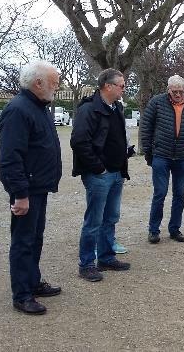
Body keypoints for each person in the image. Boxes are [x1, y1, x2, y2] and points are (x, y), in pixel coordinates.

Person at [0, 60, 62, 315]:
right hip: (27, 189)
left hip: (39, 186)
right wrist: (20, 194)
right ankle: (22, 295)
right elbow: (10, 157)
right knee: (23, 241)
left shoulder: (39, 107)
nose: (56, 87)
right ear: (38, 83)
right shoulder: (18, 110)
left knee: (35, 239)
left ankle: (33, 282)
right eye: (54, 83)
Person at [71, 68, 131, 282]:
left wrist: (124, 157)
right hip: (99, 175)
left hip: (116, 174)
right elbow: (79, 142)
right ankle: (86, 264)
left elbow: (115, 137)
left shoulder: (116, 108)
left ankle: (106, 257)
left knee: (110, 218)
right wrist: (98, 167)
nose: (124, 89)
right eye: (121, 85)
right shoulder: (89, 109)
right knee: (94, 221)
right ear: (108, 86)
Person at [141, 75, 184, 244]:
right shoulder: (157, 102)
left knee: (180, 195)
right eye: (174, 91)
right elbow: (146, 127)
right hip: (161, 155)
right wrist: (148, 151)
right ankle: (153, 230)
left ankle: (175, 229)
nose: (177, 94)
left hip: (183, 157)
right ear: (168, 90)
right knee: (160, 193)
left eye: (180, 91)